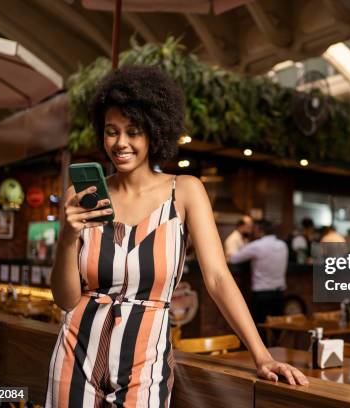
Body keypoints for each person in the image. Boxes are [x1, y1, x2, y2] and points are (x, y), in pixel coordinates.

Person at [46, 66, 307, 407]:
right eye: (111, 132)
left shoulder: (185, 191)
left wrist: (262, 355)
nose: (121, 143)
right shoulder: (81, 197)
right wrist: (67, 237)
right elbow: (66, 300)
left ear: (154, 133)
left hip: (145, 363)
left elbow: (217, 278)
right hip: (75, 354)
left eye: (133, 131)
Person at [229, 220, 288, 325]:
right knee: (277, 330)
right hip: (279, 294)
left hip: (262, 295)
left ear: (259, 230)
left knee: (260, 330)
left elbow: (233, 259)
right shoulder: (283, 245)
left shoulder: (257, 246)